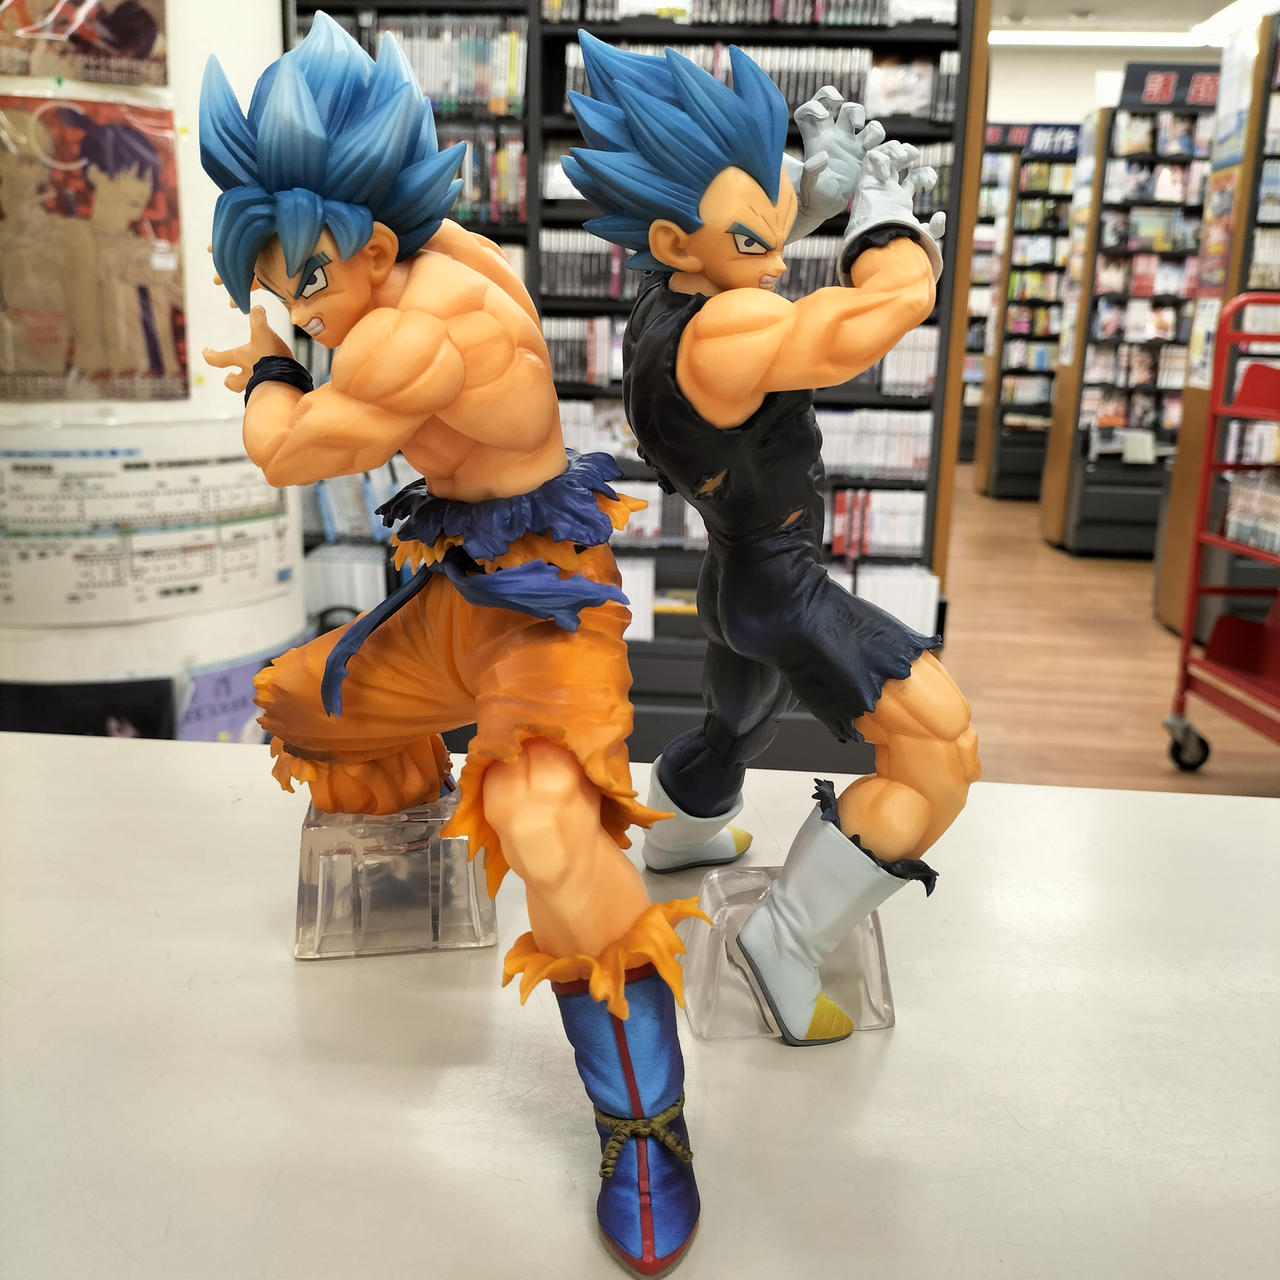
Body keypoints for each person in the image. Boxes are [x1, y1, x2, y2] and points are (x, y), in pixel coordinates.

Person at [200, 16, 701, 1274]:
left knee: (545, 823)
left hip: (543, 605)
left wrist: (268, 364)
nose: (298, 308)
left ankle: (644, 1118)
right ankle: (421, 847)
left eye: (306, 279)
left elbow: (283, 451)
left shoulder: (411, 328)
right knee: (301, 700)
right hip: (456, 587)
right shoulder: (431, 253)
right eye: (277, 281)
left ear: (371, 244)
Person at [565, 34, 981, 1047]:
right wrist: (883, 220)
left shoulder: (665, 301)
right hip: (779, 586)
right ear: (675, 241)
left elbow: (739, 238)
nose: (779, 242)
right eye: (760, 231)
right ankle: (787, 940)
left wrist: (812, 195)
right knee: (940, 754)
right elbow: (887, 305)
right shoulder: (724, 334)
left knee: (737, 725)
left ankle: (680, 831)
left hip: (733, 576)